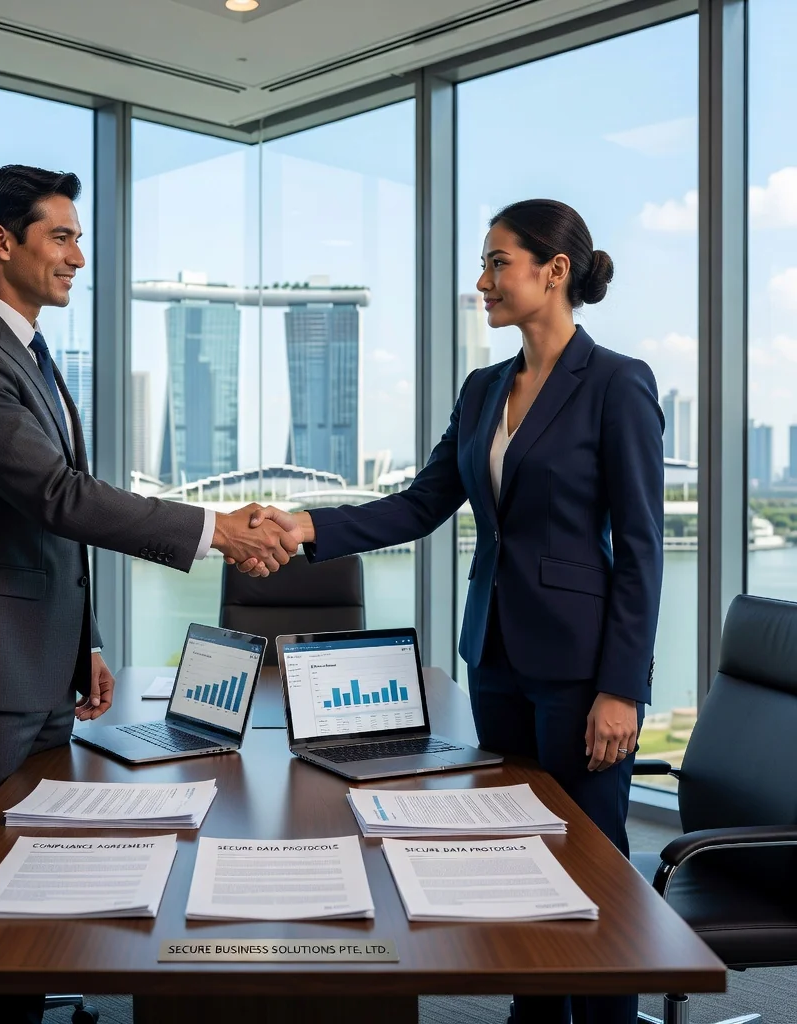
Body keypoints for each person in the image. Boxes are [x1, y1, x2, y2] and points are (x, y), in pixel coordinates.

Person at [241, 199, 664, 1024]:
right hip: (497, 657)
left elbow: (642, 549)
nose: (483, 281)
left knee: (592, 871)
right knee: (512, 858)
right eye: (484, 263)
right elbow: (421, 503)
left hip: (581, 670)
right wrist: (308, 526)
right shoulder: (482, 391)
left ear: (555, 270)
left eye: (498, 262)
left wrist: (624, 687)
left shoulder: (616, 383)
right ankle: (532, 1015)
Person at [0, 164, 296, 1024]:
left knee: (32, 887)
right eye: (63, 236)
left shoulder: (28, 352)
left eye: (80, 238)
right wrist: (215, 530)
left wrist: (88, 640)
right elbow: (57, 497)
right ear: (2, 242)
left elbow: (51, 522)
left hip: (39, 663)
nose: (80, 256)